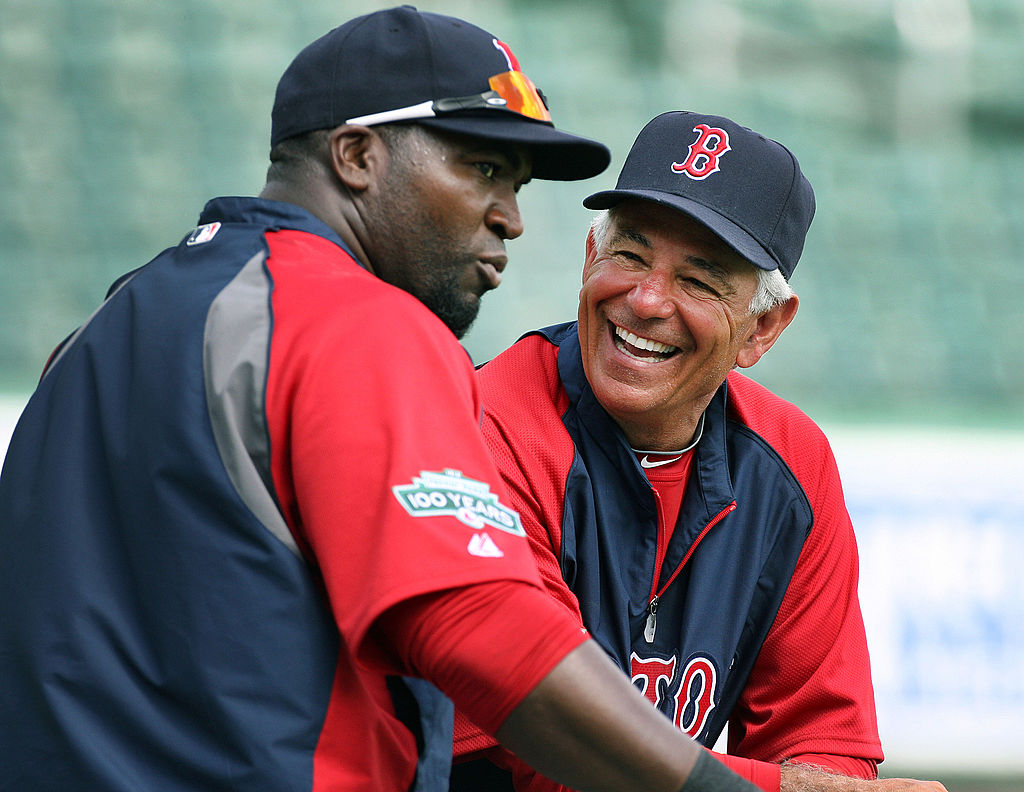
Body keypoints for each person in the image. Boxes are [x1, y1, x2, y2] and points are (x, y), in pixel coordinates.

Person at [0, 11, 762, 792]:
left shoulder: (104, 324)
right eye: (483, 169)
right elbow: (479, 626)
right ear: (358, 155)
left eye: (517, 184)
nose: (512, 216)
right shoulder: (354, 322)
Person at [450, 112, 948, 792]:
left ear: (763, 328)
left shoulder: (790, 463)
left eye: (699, 280)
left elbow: (823, 739)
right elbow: (542, 755)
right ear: (590, 257)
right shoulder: (488, 425)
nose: (647, 300)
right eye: (629, 254)